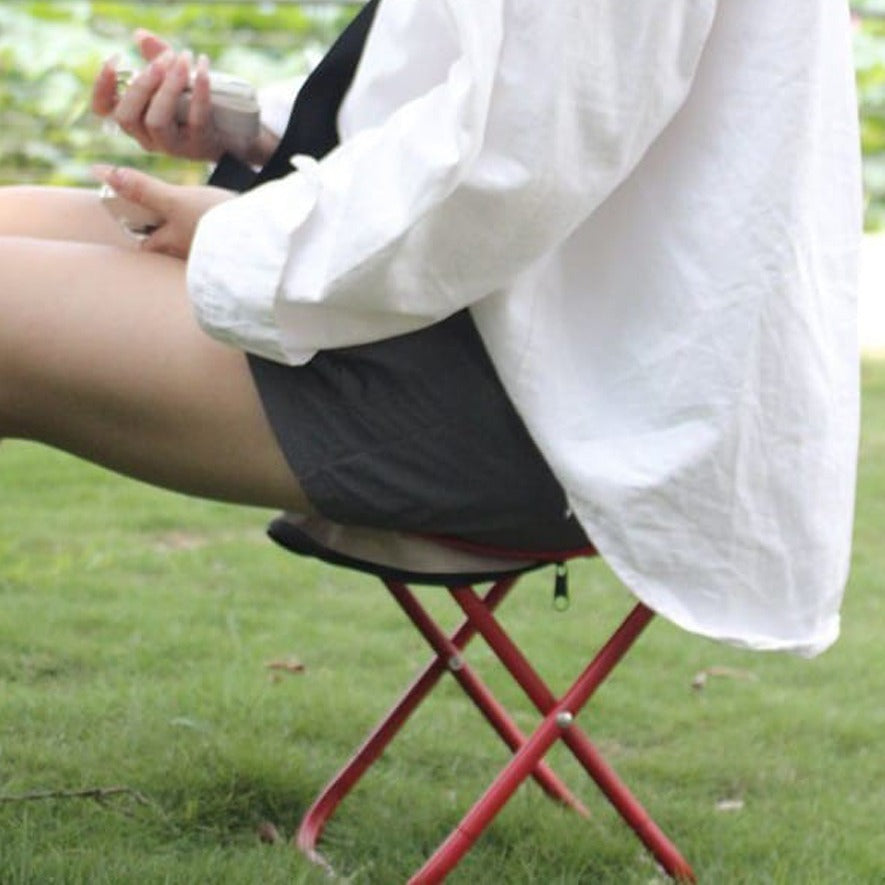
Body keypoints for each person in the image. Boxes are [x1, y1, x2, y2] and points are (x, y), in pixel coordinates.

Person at [0, 0, 862, 656]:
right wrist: (262, 127)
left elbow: (512, 165)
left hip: (550, 397)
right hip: (459, 313)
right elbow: (478, 96)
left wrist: (237, 235)